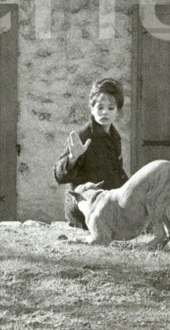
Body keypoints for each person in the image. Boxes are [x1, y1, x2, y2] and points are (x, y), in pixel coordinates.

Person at [53, 77, 129, 229]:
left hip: (106, 203)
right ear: (92, 109)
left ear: (118, 111)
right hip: (84, 208)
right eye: (100, 107)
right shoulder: (83, 136)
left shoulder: (115, 137)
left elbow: (118, 172)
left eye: (110, 108)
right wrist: (72, 158)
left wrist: (131, 191)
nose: (105, 112)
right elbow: (59, 176)